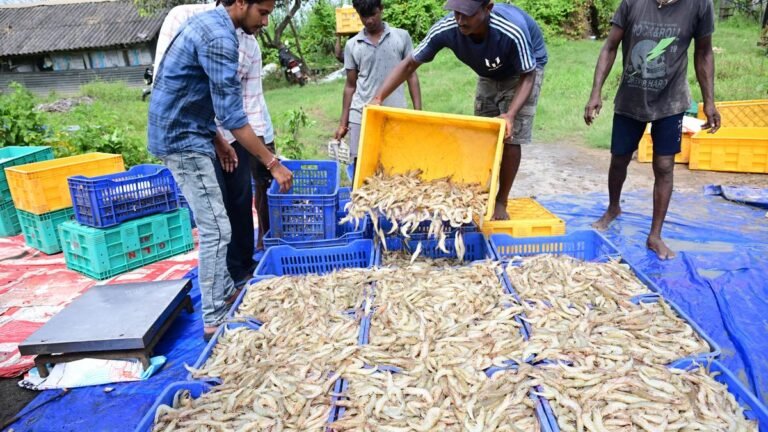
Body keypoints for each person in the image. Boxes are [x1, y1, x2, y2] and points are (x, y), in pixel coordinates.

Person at [148, 0, 292, 339]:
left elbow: (193, 93)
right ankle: (214, 318)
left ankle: (225, 289)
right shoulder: (220, 39)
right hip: (181, 139)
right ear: (242, 2)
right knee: (215, 228)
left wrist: (218, 141)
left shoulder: (212, 25)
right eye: (264, 12)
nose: (266, 21)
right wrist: (272, 163)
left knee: (219, 221)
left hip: (193, 130)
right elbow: (233, 116)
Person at [370, 0, 547, 220]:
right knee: (486, 134)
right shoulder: (447, 28)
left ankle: (501, 201)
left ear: (487, 9)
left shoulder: (511, 29)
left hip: (523, 72)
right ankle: (482, 193)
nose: (460, 20)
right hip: (489, 71)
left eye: (467, 14)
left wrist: (510, 115)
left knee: (511, 135)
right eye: (456, 13)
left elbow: (528, 75)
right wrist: (378, 98)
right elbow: (409, 64)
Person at [584, 0, 721, 260]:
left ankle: (655, 235)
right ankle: (613, 208)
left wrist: (710, 102)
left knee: (664, 165)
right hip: (630, 99)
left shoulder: (700, 5)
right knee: (619, 159)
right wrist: (595, 93)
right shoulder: (632, 3)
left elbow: (703, 53)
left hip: (671, 101)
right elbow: (610, 46)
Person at [334, 0, 422, 171]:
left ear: (381, 9)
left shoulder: (401, 37)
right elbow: (350, 86)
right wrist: (343, 124)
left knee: (396, 164)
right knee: (362, 165)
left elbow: (411, 75)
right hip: (361, 113)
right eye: (363, 16)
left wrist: (419, 113)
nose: (369, 20)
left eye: (373, 14)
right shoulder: (352, 45)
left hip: (395, 112)